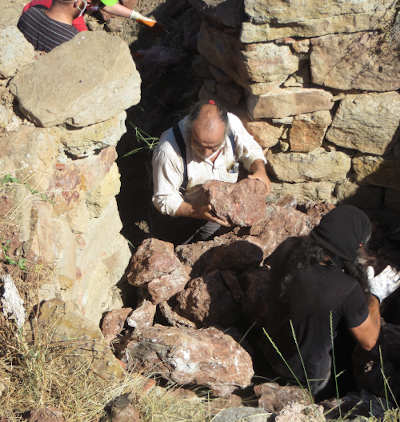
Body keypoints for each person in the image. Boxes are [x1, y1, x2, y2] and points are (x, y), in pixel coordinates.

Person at [260, 205, 397, 396]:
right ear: (357, 245)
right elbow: (369, 340)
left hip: (271, 357)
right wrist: (375, 295)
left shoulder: (287, 248)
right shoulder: (346, 288)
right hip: (310, 379)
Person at [152, 100, 271, 242]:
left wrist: (260, 168)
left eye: (214, 147)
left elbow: (250, 149)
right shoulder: (169, 151)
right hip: (182, 214)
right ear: (189, 130)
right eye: (199, 145)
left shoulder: (232, 124)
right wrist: (195, 211)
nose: (206, 153)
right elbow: (163, 198)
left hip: (219, 213)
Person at [18, 0, 145, 53]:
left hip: (42, 13)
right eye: (89, 2)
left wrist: (138, 16)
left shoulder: (31, 11)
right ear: (79, 3)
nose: (92, 4)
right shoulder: (75, 38)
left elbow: (108, 4)